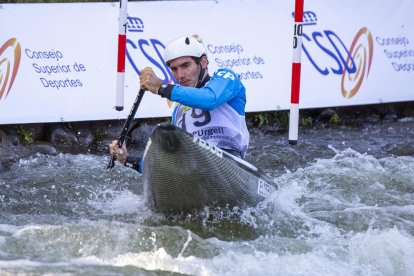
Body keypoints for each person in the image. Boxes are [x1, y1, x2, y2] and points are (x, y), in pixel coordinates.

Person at [109, 35, 250, 173]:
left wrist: (161, 87)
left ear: (203, 62)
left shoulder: (225, 78)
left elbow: (209, 99)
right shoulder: (179, 111)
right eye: (174, 69)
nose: (180, 75)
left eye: (185, 65)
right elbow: (167, 164)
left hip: (230, 163)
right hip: (193, 170)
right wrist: (126, 159)